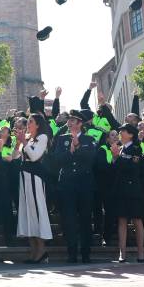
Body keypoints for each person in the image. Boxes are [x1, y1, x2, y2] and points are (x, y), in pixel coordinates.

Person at [50, 110, 97, 263]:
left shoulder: (89, 139)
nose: (69, 123)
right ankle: (71, 253)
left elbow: (91, 158)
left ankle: (85, 253)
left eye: (73, 120)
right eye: (69, 120)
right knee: (68, 219)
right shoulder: (61, 139)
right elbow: (56, 160)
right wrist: (70, 152)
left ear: (80, 123)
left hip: (84, 184)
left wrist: (78, 147)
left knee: (85, 218)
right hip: (67, 184)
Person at [12, 114, 53, 264]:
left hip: (35, 178)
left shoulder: (42, 137)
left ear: (38, 124)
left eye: (30, 122)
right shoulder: (27, 138)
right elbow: (14, 156)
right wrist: (18, 144)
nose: (27, 124)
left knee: (36, 212)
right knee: (27, 213)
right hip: (24, 178)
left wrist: (24, 142)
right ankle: (34, 251)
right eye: (27, 121)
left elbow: (35, 156)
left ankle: (42, 251)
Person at [111, 124, 144, 263]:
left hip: (134, 189)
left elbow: (133, 167)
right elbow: (116, 168)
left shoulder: (136, 149)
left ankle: (141, 253)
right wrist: (115, 157)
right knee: (122, 220)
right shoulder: (119, 149)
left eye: (123, 131)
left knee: (137, 220)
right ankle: (122, 253)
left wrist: (117, 158)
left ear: (131, 134)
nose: (120, 133)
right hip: (121, 188)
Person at [93, 130, 118, 247]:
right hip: (102, 185)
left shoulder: (121, 149)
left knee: (111, 212)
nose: (116, 137)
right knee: (98, 211)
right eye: (112, 135)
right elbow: (101, 166)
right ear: (107, 139)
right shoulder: (102, 149)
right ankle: (98, 233)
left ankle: (107, 236)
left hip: (114, 185)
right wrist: (113, 161)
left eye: (117, 135)